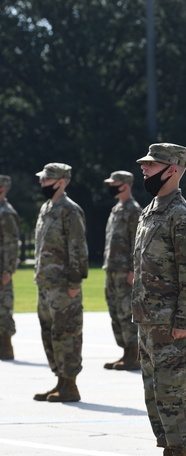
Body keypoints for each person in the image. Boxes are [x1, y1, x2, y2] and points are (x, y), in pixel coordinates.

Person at [128, 143, 186, 456]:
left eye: (152, 164)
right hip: (148, 318)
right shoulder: (152, 210)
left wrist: (183, 320)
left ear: (172, 169)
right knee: (155, 392)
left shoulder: (182, 215)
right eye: (144, 164)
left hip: (170, 322)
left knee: (176, 392)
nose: (144, 169)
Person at [33, 162, 88, 403]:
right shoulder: (46, 208)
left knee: (67, 333)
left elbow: (78, 248)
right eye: (42, 179)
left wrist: (75, 281)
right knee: (50, 333)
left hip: (64, 285)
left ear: (62, 182)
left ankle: (70, 384)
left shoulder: (70, 210)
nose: (42, 183)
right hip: (45, 284)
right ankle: (60, 380)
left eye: (47, 179)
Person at [101, 170, 142, 371]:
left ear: (125, 184)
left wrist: (134, 270)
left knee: (127, 312)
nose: (111, 187)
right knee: (115, 311)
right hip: (111, 269)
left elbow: (138, 243)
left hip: (126, 271)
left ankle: (134, 354)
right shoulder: (116, 209)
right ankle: (125, 351)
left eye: (114, 184)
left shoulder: (133, 210)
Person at [0, 175, 21, 361]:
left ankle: (6, 345)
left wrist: (8, 270)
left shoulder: (6, 212)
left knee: (4, 307)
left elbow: (12, 244)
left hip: (1, 269)